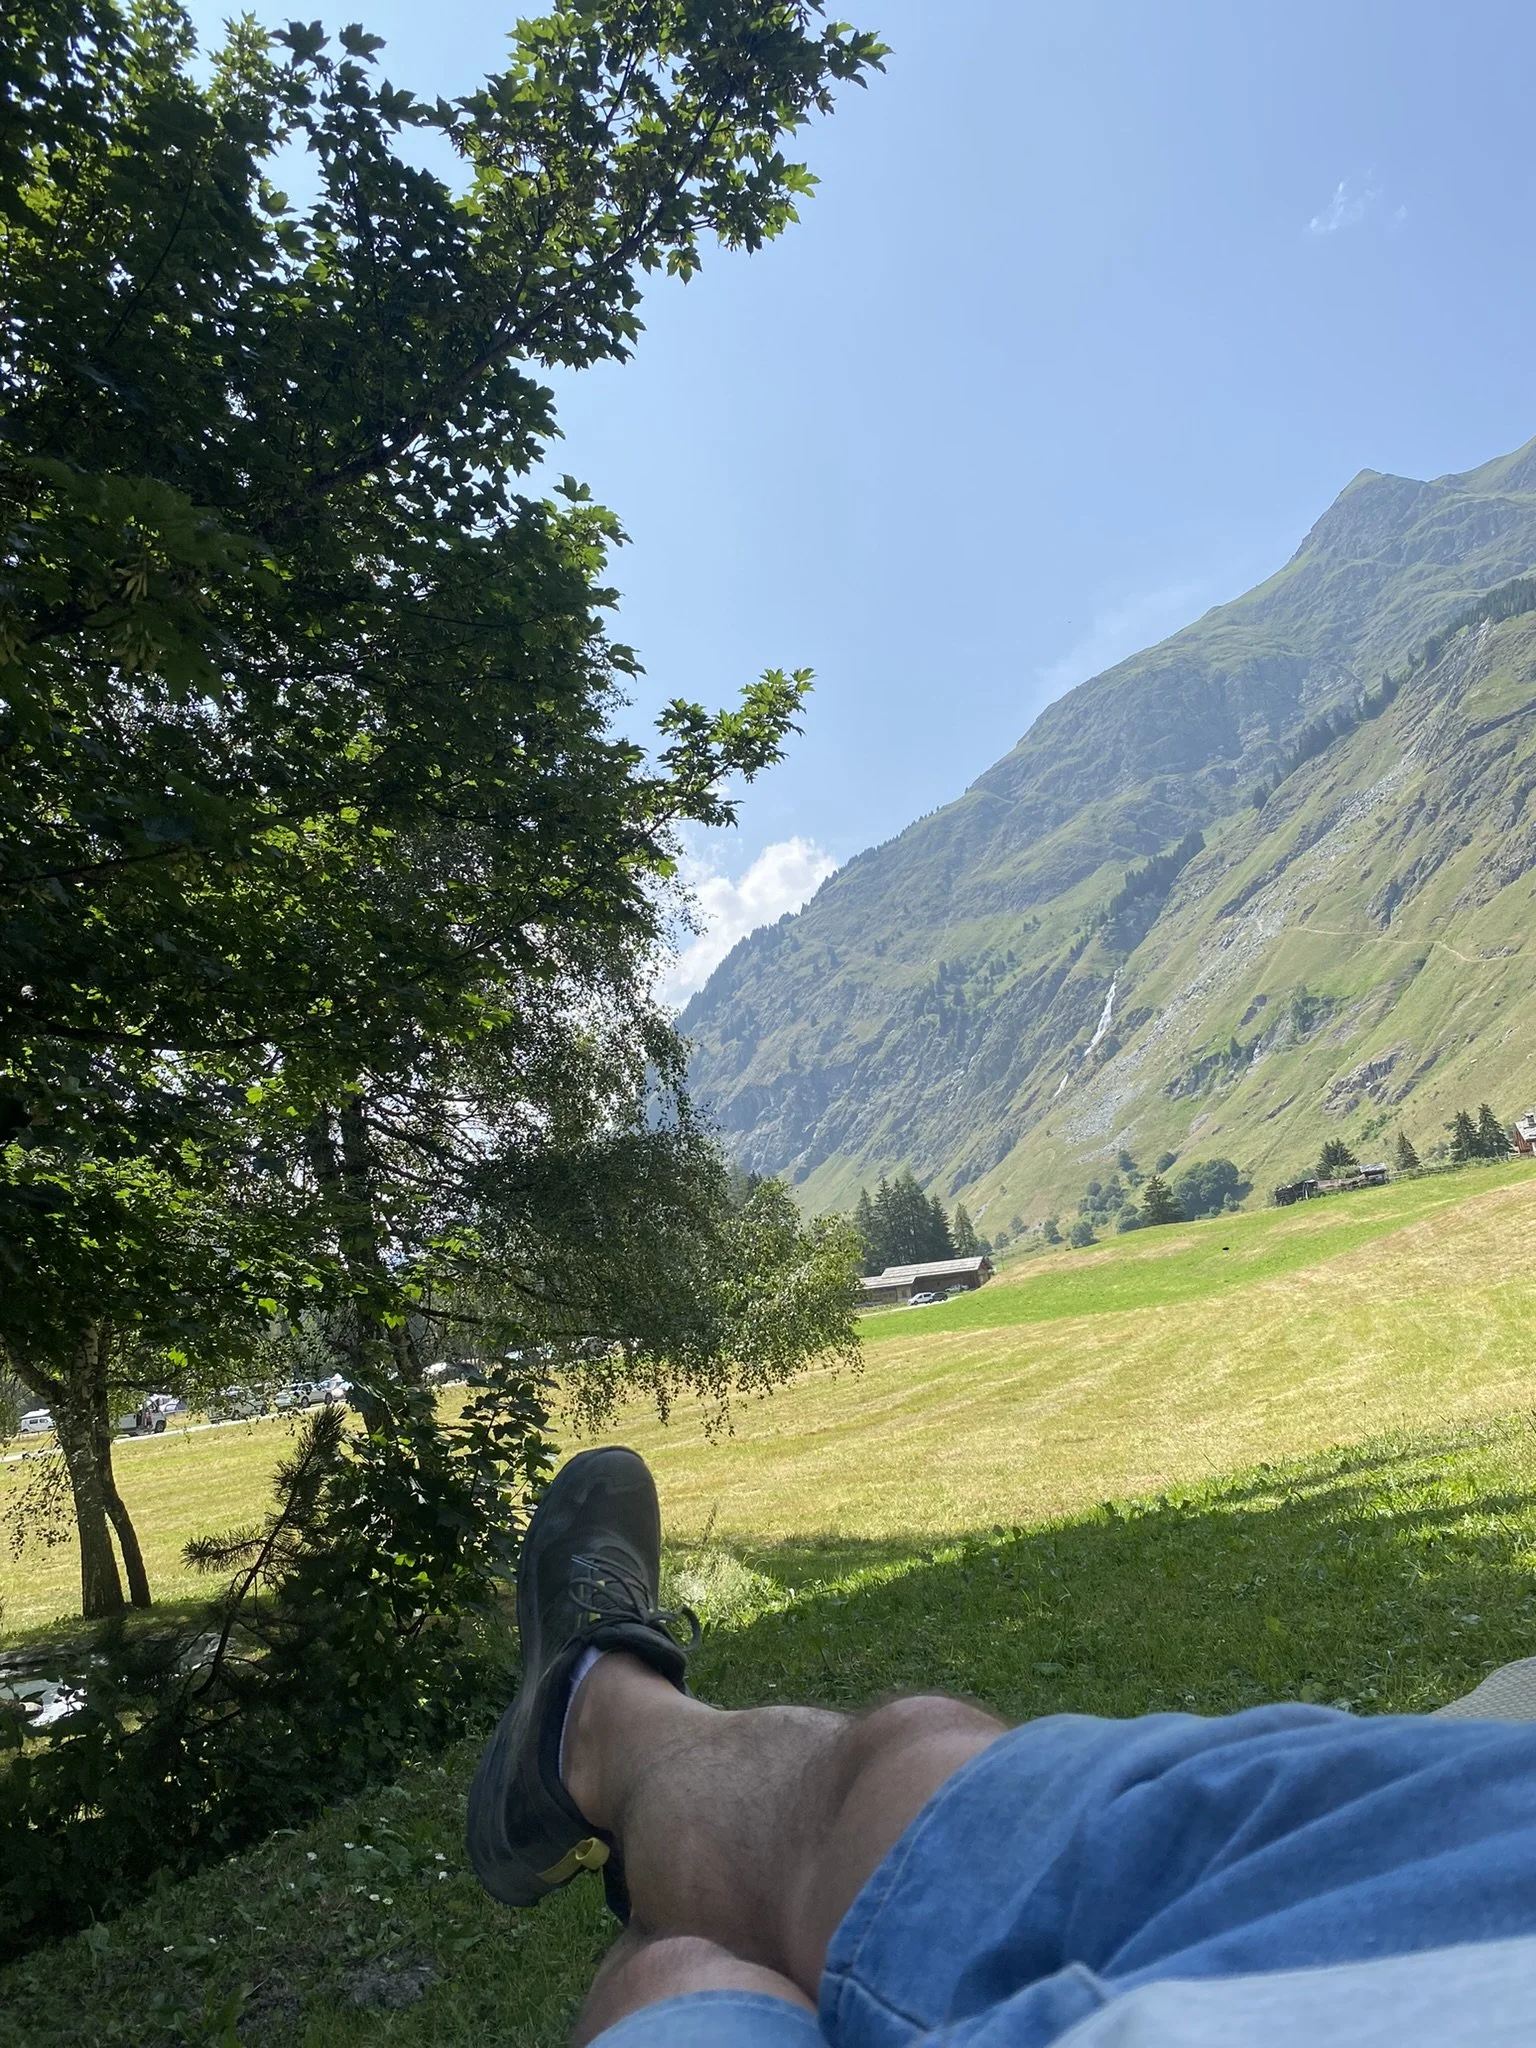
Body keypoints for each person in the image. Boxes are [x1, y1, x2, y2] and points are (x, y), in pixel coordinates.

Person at [466, 1448, 1536, 2047]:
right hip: (1492, 1866)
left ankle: (593, 1719)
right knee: (911, 1763)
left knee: (684, 1976)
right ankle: (594, 1718)